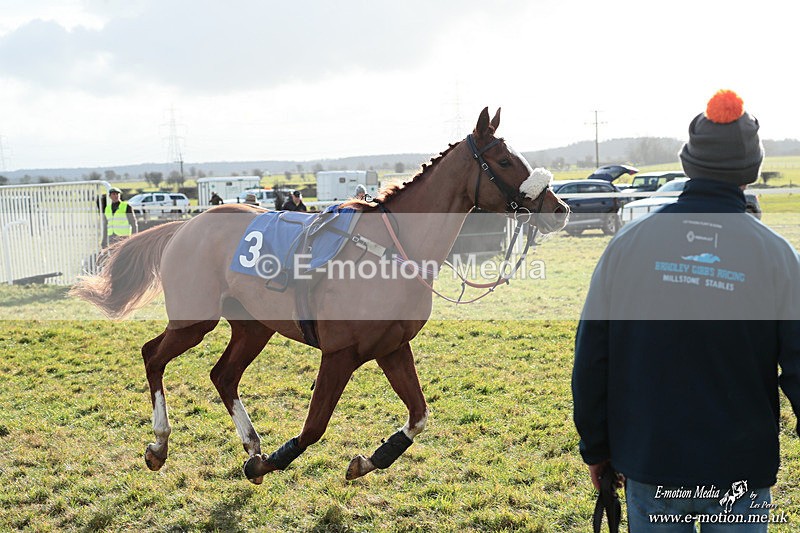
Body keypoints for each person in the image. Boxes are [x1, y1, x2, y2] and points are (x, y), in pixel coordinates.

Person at [572, 90, 800, 531]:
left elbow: (592, 357)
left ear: (688, 164)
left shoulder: (627, 247)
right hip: (739, 474)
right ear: (751, 169)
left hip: (650, 463)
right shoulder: (778, 257)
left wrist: (596, 449)